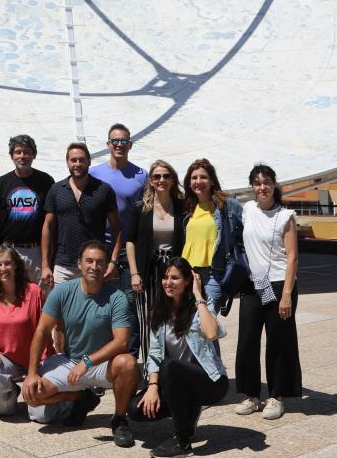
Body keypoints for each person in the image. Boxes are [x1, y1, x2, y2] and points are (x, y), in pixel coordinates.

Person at [22, 240, 138, 448]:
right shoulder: (63, 291)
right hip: (70, 361)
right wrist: (31, 373)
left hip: (103, 365)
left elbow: (122, 341)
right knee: (33, 396)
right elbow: (41, 331)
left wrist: (87, 361)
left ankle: (119, 420)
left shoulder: (117, 296)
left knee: (128, 364)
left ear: (106, 266)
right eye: (89, 261)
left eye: (100, 262)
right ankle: (81, 397)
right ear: (79, 263)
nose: (94, 266)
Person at [130, 258, 228, 458]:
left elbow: (211, 333)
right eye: (165, 277)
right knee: (135, 410)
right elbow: (154, 353)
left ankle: (182, 441)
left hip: (211, 382)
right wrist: (152, 387)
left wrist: (198, 295)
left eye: (175, 278)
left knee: (170, 365)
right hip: (178, 382)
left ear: (187, 281)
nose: (168, 282)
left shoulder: (201, 306)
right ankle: (187, 411)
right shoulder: (160, 310)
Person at [234, 164, 301, 420]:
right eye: (257, 183)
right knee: (248, 341)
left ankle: (276, 396)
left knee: (278, 342)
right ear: (252, 187)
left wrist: (286, 295)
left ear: (274, 185)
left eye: (267, 182)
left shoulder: (286, 216)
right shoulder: (247, 209)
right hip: (254, 285)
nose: (262, 187)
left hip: (277, 284)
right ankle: (251, 395)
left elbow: (293, 257)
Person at [89, 124, 149, 352]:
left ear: (130, 145)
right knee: (98, 303)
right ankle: (98, 361)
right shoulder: (94, 173)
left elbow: (146, 213)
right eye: (115, 141)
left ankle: (130, 359)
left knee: (129, 304)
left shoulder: (141, 176)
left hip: (128, 248)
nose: (119, 145)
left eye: (124, 141)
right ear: (108, 145)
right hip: (100, 247)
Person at [0, 246, 51, 417]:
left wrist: (40, 366)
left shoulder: (34, 292)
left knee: (40, 416)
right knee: (3, 408)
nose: (3, 269)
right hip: (7, 360)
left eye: (7, 264)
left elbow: (45, 331)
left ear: (16, 265)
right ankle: (11, 389)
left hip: (37, 359)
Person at [125, 160, 187, 361]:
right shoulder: (140, 208)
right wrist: (134, 273)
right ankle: (150, 373)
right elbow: (130, 241)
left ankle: (173, 370)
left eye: (166, 176)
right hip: (148, 271)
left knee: (173, 320)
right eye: (157, 176)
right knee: (148, 322)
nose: (162, 180)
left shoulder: (182, 207)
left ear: (173, 180)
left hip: (174, 271)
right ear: (150, 181)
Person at [41, 142, 122, 289]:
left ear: (89, 162)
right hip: (63, 266)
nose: (77, 164)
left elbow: (118, 230)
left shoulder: (104, 190)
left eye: (81, 160)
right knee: (62, 311)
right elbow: (47, 226)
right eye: (73, 160)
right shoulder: (56, 189)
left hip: (95, 265)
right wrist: (45, 265)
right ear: (67, 163)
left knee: (95, 310)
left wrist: (113, 262)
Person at [181, 159, 243, 315]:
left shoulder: (227, 205)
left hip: (213, 272)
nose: (198, 181)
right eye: (194, 178)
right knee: (194, 325)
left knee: (205, 322)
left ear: (212, 181)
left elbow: (247, 229)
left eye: (203, 177)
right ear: (189, 183)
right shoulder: (188, 207)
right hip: (188, 273)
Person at [0, 134, 55, 279]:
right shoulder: (2, 183)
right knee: (9, 295)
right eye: (18, 152)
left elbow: (48, 223)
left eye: (27, 152)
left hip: (36, 251)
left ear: (34, 155)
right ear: (12, 156)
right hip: (9, 250)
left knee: (39, 296)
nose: (22, 156)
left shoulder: (46, 181)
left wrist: (46, 262)